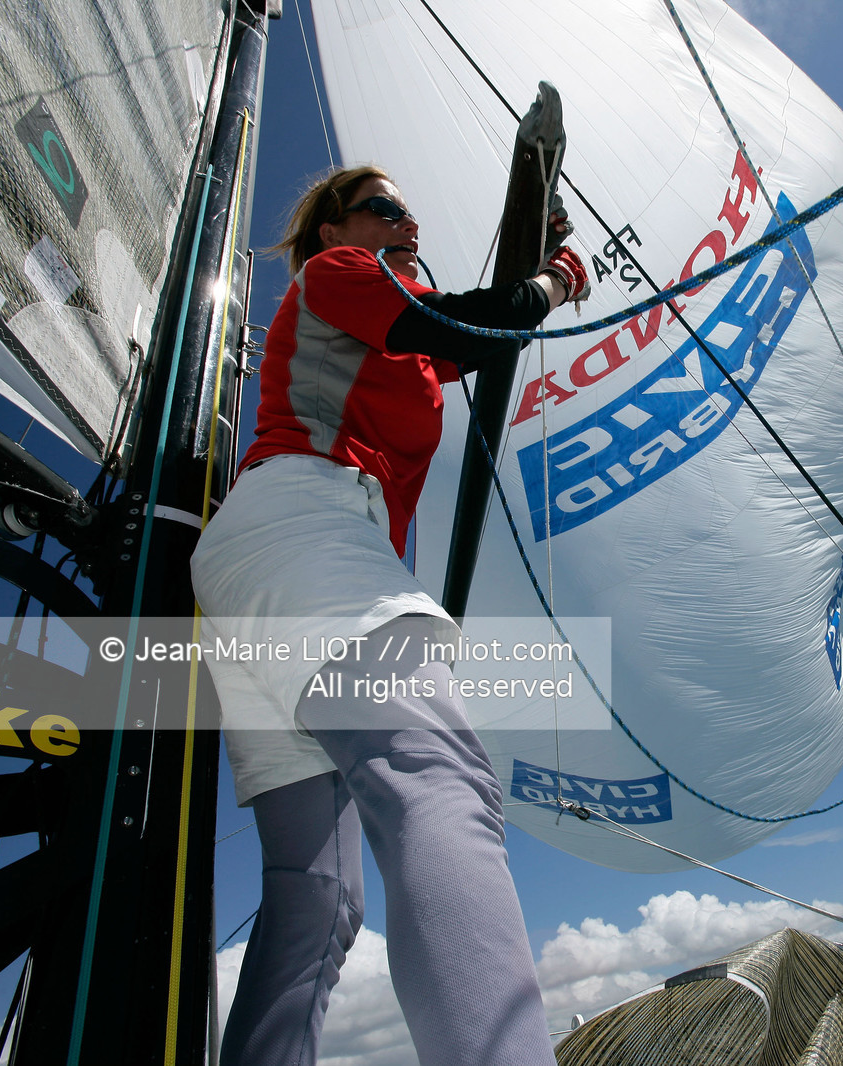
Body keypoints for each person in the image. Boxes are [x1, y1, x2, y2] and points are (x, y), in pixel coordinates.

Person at [191, 164, 585, 1066]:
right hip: (308, 530)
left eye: (411, 211)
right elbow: (461, 325)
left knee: (318, 901)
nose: (406, 221)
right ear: (336, 231)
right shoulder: (333, 277)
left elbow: (466, 329)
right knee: (437, 783)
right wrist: (558, 278)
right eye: (384, 208)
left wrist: (531, 274)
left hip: (263, 577)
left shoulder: (399, 333)